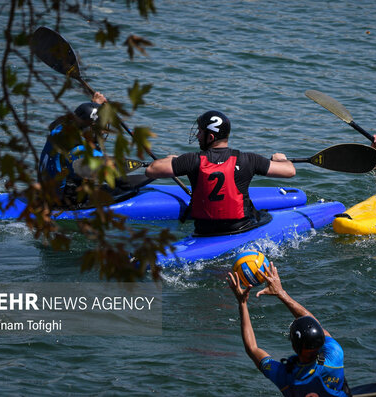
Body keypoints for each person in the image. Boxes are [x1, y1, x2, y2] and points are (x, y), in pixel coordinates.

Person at [145, 110, 295, 235]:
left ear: (210, 137)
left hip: (204, 232)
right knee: (263, 214)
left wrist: (173, 160)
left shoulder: (191, 160)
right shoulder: (248, 159)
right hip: (240, 229)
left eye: (200, 132)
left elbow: (151, 170)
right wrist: (280, 159)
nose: (197, 135)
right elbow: (290, 171)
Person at [227, 262, 350, 397]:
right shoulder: (335, 356)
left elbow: (252, 349)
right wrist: (281, 293)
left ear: (294, 346)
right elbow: (316, 325)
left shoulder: (283, 374)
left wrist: (242, 303)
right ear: (321, 341)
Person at [38, 92, 147, 207]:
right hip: (64, 205)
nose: (104, 132)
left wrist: (93, 106)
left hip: (46, 195)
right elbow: (122, 182)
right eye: (101, 129)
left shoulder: (59, 130)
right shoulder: (81, 151)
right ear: (91, 128)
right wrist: (152, 171)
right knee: (126, 191)